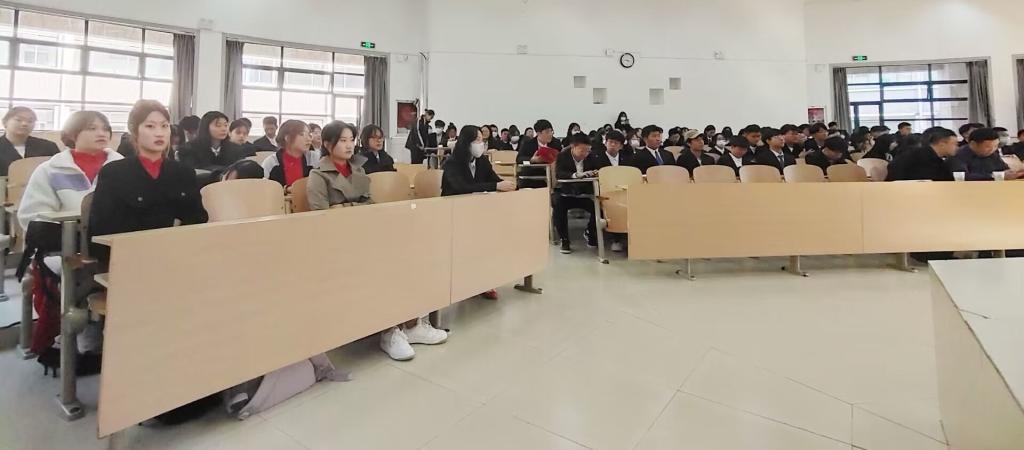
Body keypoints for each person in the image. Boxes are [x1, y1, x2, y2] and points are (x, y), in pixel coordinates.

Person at [89, 100, 207, 266]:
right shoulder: (114, 173)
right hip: (128, 259)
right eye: (150, 126)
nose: (159, 133)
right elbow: (102, 230)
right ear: (134, 131)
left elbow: (197, 219)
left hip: (177, 255)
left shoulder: (183, 172)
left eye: (164, 126)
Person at [442, 126, 515, 300]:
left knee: (489, 239)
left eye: (482, 140)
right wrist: (495, 186)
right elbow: (462, 188)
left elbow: (494, 179)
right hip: (454, 211)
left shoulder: (482, 161)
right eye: (477, 141)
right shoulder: (452, 163)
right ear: (466, 142)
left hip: (477, 211)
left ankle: (483, 281)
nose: (480, 144)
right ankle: (463, 282)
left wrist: (507, 185)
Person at [19, 111, 124, 231]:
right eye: (92, 128)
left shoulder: (123, 168)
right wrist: (67, 234)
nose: (101, 133)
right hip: (64, 238)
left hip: (115, 236)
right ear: (72, 134)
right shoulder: (50, 170)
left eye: (105, 129)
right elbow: (34, 215)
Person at [307, 121, 372, 209]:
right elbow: (320, 212)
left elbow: (370, 204)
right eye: (343, 140)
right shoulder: (318, 174)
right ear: (327, 145)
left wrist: (344, 206)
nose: (349, 146)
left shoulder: (359, 170)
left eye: (352, 140)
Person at [553, 133, 600, 254]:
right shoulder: (563, 156)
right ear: (573, 147)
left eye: (587, 151)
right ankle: (564, 239)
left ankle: (590, 232)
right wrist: (575, 175)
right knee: (558, 206)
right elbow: (559, 174)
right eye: (582, 150)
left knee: (600, 207)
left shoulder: (591, 157)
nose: (585, 154)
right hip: (566, 192)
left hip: (585, 193)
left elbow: (597, 169)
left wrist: (593, 173)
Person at [177, 111, 249, 172]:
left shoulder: (236, 149)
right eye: (218, 125)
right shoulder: (189, 149)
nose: (224, 129)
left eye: (225, 125)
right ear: (206, 127)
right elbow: (193, 170)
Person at [0, 107, 59, 176]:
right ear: (5, 122)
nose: (25, 124)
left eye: (30, 121)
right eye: (18, 120)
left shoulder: (48, 146)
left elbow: (60, 171)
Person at [947, 128, 1023, 181]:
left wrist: (1016, 173)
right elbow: (963, 177)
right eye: (988, 147)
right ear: (973, 144)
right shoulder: (958, 155)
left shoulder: (993, 153)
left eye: (995, 146)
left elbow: (1002, 168)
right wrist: (994, 176)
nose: (992, 149)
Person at [885, 127, 958, 182]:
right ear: (942, 144)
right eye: (955, 144)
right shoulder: (920, 158)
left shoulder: (936, 159)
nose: (957, 147)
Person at [262, 119, 313, 187]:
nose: (309, 139)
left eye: (309, 135)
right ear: (287, 138)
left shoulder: (314, 159)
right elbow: (263, 187)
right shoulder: (271, 162)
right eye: (302, 134)